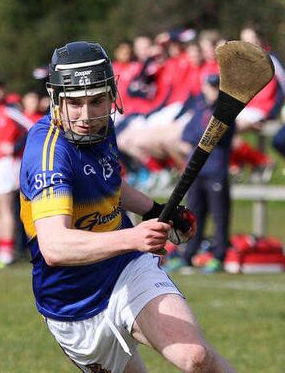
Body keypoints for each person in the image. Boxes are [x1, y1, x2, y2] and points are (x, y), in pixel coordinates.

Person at [19, 41, 235, 372]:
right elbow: (55, 246)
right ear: (55, 99)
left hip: (125, 268)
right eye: (74, 103)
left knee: (196, 357)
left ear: (111, 95)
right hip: (72, 304)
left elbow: (106, 180)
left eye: (97, 101)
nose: (86, 115)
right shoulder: (49, 154)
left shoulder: (101, 129)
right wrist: (134, 238)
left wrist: (154, 209)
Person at [165, 74, 233, 274]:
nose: (212, 91)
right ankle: (188, 255)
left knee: (220, 216)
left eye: (216, 88)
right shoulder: (200, 109)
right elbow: (187, 134)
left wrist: (198, 138)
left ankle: (219, 256)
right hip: (197, 171)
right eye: (210, 87)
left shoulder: (226, 111)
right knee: (194, 214)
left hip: (216, 170)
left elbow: (211, 136)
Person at [0, 79, 30, 268]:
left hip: (8, 164)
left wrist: (15, 147)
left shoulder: (10, 110)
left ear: (2, 91)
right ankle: (2, 244)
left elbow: (30, 126)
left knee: (4, 207)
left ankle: (6, 251)